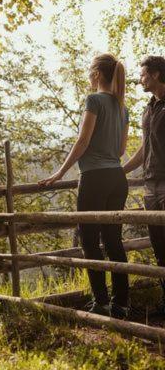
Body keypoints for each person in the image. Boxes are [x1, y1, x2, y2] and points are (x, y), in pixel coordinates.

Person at [39, 53, 129, 318]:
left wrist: (59, 173)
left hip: (94, 178)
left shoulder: (93, 100)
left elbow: (82, 142)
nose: (89, 77)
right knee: (113, 241)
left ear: (97, 74)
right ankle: (121, 304)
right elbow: (122, 149)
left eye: (90, 72)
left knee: (90, 242)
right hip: (117, 178)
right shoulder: (122, 107)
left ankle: (101, 302)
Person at [123, 56, 165, 313]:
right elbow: (143, 148)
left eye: (143, 75)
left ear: (157, 74)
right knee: (159, 245)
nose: (140, 80)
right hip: (150, 185)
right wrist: (122, 171)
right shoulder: (148, 109)